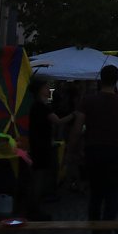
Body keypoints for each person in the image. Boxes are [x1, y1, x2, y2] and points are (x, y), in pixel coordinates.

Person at [69, 65, 118, 234]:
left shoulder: (88, 100)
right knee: (112, 196)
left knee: (95, 195)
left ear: (100, 79)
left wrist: (71, 149)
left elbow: (78, 128)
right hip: (114, 150)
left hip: (93, 150)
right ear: (117, 79)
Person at [27, 80, 74, 220]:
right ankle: (34, 209)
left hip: (38, 145)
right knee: (39, 178)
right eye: (46, 87)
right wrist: (74, 115)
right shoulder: (41, 107)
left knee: (38, 176)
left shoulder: (37, 106)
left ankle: (34, 207)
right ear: (40, 90)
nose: (48, 89)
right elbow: (58, 121)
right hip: (41, 146)